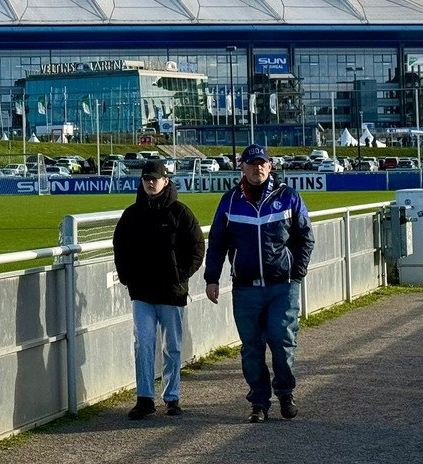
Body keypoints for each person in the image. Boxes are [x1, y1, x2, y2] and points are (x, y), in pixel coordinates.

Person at [204, 144, 315, 423]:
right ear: (241, 166)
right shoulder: (230, 200)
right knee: (251, 348)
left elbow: (305, 238)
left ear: (270, 165)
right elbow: (217, 242)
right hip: (245, 287)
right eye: (252, 164)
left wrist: (297, 272)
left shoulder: (288, 197)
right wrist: (212, 278)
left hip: (282, 286)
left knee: (282, 341)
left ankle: (286, 393)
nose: (257, 168)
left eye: (262, 163)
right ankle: (259, 402)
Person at [113, 160, 205, 420]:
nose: (150, 183)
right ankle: (144, 399)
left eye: (155, 179)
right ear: (141, 182)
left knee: (172, 347)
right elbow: (119, 246)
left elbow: (198, 247)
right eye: (146, 179)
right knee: (143, 344)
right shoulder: (131, 215)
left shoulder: (181, 213)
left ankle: (172, 397)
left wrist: (181, 276)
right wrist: (127, 278)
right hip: (141, 293)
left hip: (171, 293)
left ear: (166, 181)